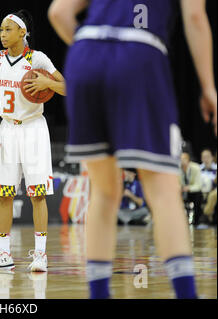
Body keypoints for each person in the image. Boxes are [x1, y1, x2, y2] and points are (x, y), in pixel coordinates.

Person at [49, 0, 216, 299]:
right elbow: (194, 16)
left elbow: (58, 13)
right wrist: (208, 87)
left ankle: (99, 293)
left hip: (85, 54)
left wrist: (94, 52)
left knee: (104, 190)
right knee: (164, 192)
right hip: (139, 53)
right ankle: (187, 294)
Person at [0, 10, 66, 272]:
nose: (2, 34)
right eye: (0, 30)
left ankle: (40, 256)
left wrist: (46, 82)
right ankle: (4, 254)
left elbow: (67, 87)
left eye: (7, 29)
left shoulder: (37, 58)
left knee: (37, 194)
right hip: (7, 129)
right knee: (4, 195)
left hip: (33, 129)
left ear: (22, 32)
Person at [180, 152, 204, 225]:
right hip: (181, 191)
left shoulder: (195, 167)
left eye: (184, 159)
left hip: (193, 192)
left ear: (188, 160)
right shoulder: (177, 168)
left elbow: (199, 185)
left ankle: (196, 221)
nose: (182, 161)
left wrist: (188, 188)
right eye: (180, 159)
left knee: (198, 195)